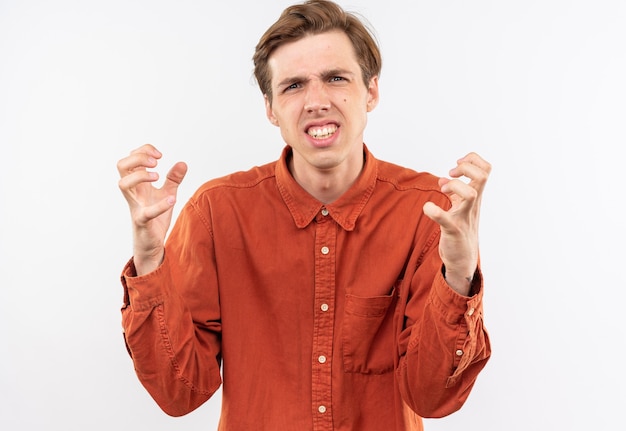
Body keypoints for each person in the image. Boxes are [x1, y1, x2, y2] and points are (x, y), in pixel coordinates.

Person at [116, 1, 491, 430]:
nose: (316, 101)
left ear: (371, 91)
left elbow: (433, 396)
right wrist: (148, 260)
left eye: (335, 78)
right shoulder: (216, 213)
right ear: (271, 108)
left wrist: (459, 273)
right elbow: (179, 392)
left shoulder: (428, 210)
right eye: (293, 85)